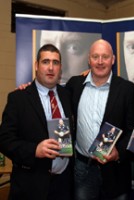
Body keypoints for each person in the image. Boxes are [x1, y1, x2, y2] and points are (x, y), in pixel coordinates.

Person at [0, 44, 74, 200]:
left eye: (55, 63)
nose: (51, 68)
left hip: (63, 185)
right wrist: (34, 150)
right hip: (30, 187)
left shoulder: (67, 96)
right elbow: (5, 140)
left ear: (60, 68)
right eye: (46, 62)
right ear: (36, 66)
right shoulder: (18, 98)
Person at [66, 39, 134, 200]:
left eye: (105, 57)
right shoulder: (75, 85)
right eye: (95, 57)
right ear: (89, 60)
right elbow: (52, 96)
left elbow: (132, 129)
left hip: (116, 171)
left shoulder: (126, 89)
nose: (100, 61)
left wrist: (119, 152)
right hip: (83, 169)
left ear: (113, 59)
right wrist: (29, 87)